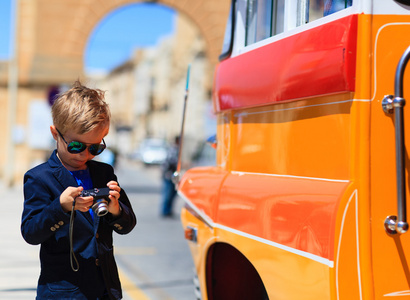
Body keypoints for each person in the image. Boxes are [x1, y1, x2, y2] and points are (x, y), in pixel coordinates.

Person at [21, 80, 137, 299]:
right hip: (63, 292)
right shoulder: (39, 178)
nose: (85, 154)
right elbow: (30, 232)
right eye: (76, 146)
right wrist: (61, 207)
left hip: (104, 290)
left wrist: (115, 210)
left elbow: (127, 225)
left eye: (95, 147)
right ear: (56, 134)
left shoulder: (104, 173)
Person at [160, 136, 180, 217]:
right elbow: (170, 162)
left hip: (172, 176)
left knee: (172, 194)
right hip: (169, 175)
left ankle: (168, 210)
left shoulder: (177, 150)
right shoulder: (173, 150)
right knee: (168, 193)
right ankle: (165, 211)